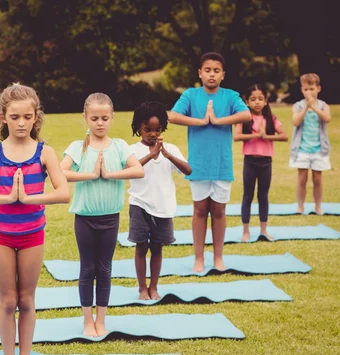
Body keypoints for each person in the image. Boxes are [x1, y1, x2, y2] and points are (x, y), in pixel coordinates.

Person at [0, 83, 69, 355]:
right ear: (3, 118)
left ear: (36, 117)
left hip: (32, 233)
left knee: (27, 299)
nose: (21, 123)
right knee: (8, 300)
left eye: (27, 117)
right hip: (1, 234)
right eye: (15, 117)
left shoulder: (44, 152)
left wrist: (30, 198)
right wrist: (7, 198)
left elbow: (63, 193)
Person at [60, 93, 144, 337]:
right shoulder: (77, 148)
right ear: (85, 118)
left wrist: (109, 174)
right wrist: (90, 175)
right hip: (85, 218)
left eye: (105, 118)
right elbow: (60, 172)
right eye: (94, 118)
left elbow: (138, 170)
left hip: (110, 218)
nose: (99, 123)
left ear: (112, 118)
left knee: (105, 269)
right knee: (87, 269)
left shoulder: (119, 146)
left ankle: (101, 320)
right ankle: (88, 321)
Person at [169, 52, 251, 272]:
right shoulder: (191, 95)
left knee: (219, 211)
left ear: (223, 74)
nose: (211, 74)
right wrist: (201, 121)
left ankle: (218, 258)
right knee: (199, 211)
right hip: (199, 163)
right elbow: (173, 116)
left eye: (216, 71)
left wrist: (218, 121)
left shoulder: (230, 96)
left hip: (222, 164)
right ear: (200, 73)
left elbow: (246, 115)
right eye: (207, 70)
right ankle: (198, 258)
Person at [128, 101, 192, 299]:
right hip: (139, 204)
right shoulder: (132, 150)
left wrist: (167, 155)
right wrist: (151, 155)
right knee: (141, 246)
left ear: (163, 128)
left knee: (157, 247)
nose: (152, 134)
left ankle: (153, 287)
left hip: (162, 207)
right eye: (147, 129)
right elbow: (129, 170)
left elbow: (188, 170)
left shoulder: (169, 148)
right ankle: (141, 288)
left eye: (157, 130)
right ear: (138, 128)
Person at [233, 84, 288, 240]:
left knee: (263, 196)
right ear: (247, 102)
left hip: (266, 163)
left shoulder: (271, 118)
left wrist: (266, 136)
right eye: (253, 99)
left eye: (260, 99)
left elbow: (284, 136)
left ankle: (264, 230)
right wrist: (256, 136)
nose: (257, 102)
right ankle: (246, 231)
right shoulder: (244, 118)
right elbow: (236, 137)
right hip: (250, 162)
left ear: (265, 101)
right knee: (248, 195)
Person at [289, 73, 332, 215]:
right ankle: (300, 206)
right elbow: (295, 121)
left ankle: (318, 206)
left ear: (318, 88)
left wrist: (314, 107)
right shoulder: (297, 106)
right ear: (302, 90)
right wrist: (306, 107)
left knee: (317, 179)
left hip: (319, 149)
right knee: (302, 179)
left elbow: (327, 118)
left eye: (312, 89)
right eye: (306, 89)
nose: (309, 92)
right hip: (301, 149)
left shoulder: (323, 105)